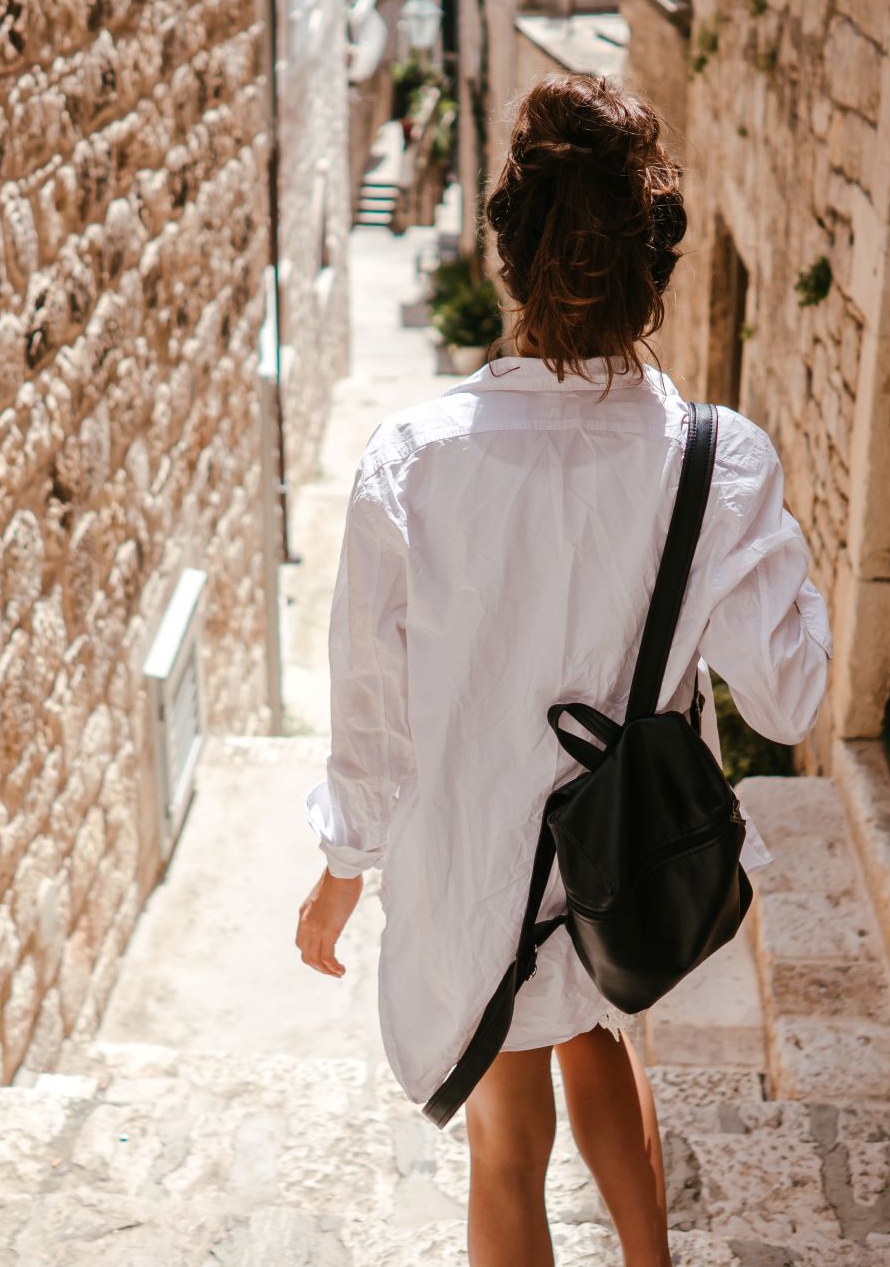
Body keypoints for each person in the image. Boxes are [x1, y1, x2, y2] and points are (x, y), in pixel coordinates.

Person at [295, 73, 834, 1265]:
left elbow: (370, 717)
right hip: (619, 855)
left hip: (474, 867)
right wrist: (764, 535)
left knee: (506, 1138)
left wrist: (342, 869)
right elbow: (789, 696)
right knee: (601, 1024)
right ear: (656, 269)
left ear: (510, 255)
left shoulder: (414, 462)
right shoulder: (719, 460)